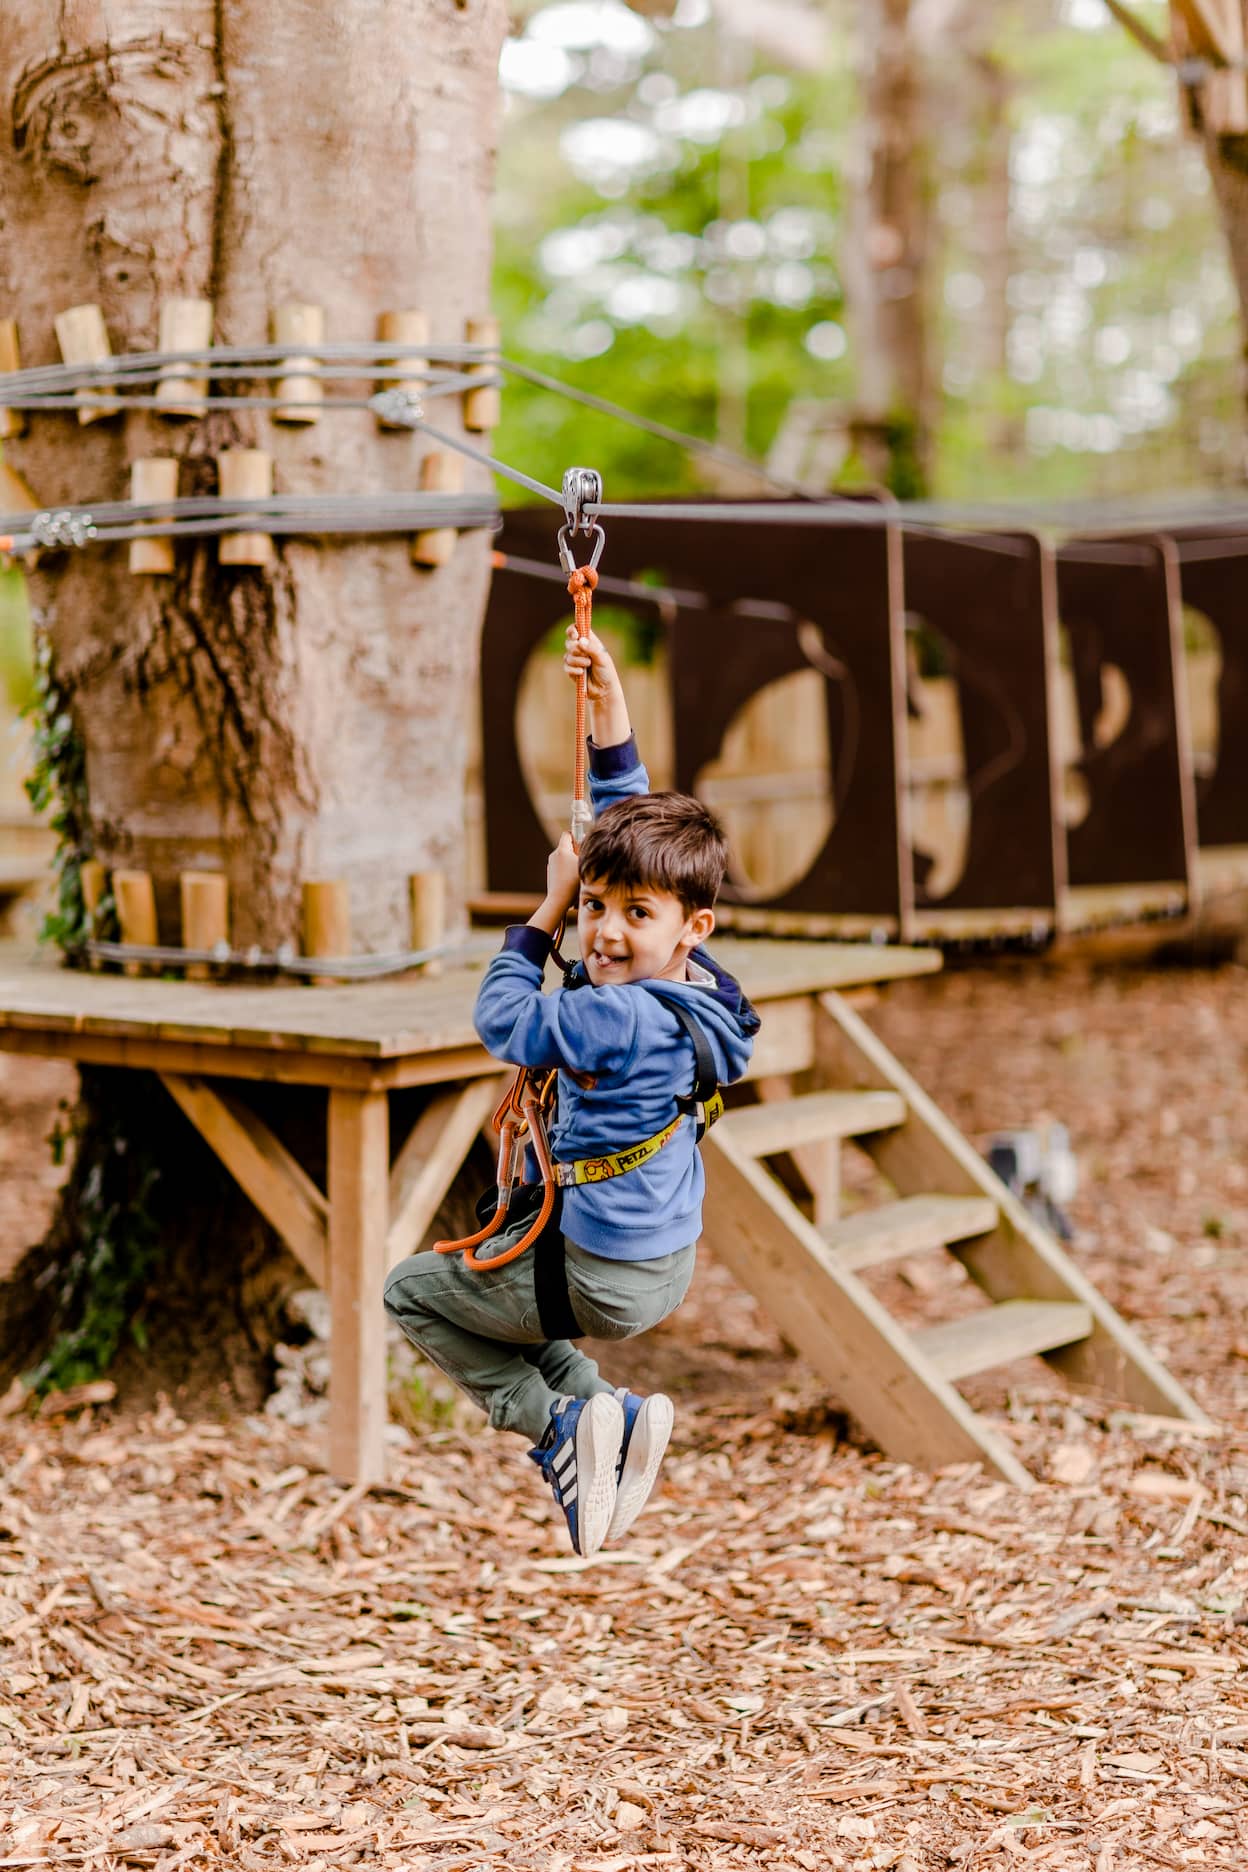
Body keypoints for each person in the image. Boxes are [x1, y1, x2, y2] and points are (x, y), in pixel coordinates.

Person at [383, 623, 758, 1556]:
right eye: (596, 908)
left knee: (413, 1295)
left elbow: (504, 1022)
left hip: (596, 1271)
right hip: (659, 1259)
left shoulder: (615, 1015)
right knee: (503, 1310)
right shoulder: (697, 986)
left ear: (689, 925)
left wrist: (545, 914)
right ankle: (605, 1418)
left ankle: (558, 1430)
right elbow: (628, 833)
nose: (607, 935)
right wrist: (612, 709)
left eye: (635, 917)